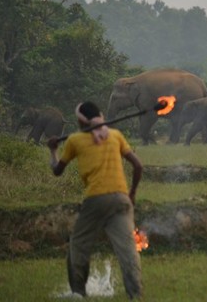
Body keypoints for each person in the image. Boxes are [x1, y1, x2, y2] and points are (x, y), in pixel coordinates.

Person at [47, 101, 143, 299]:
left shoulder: (75, 140)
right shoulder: (115, 136)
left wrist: (53, 150)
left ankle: (78, 292)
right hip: (121, 200)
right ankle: (135, 294)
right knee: (128, 250)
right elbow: (138, 166)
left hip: (96, 199)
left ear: (81, 122)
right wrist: (132, 193)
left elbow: (57, 170)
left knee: (78, 246)